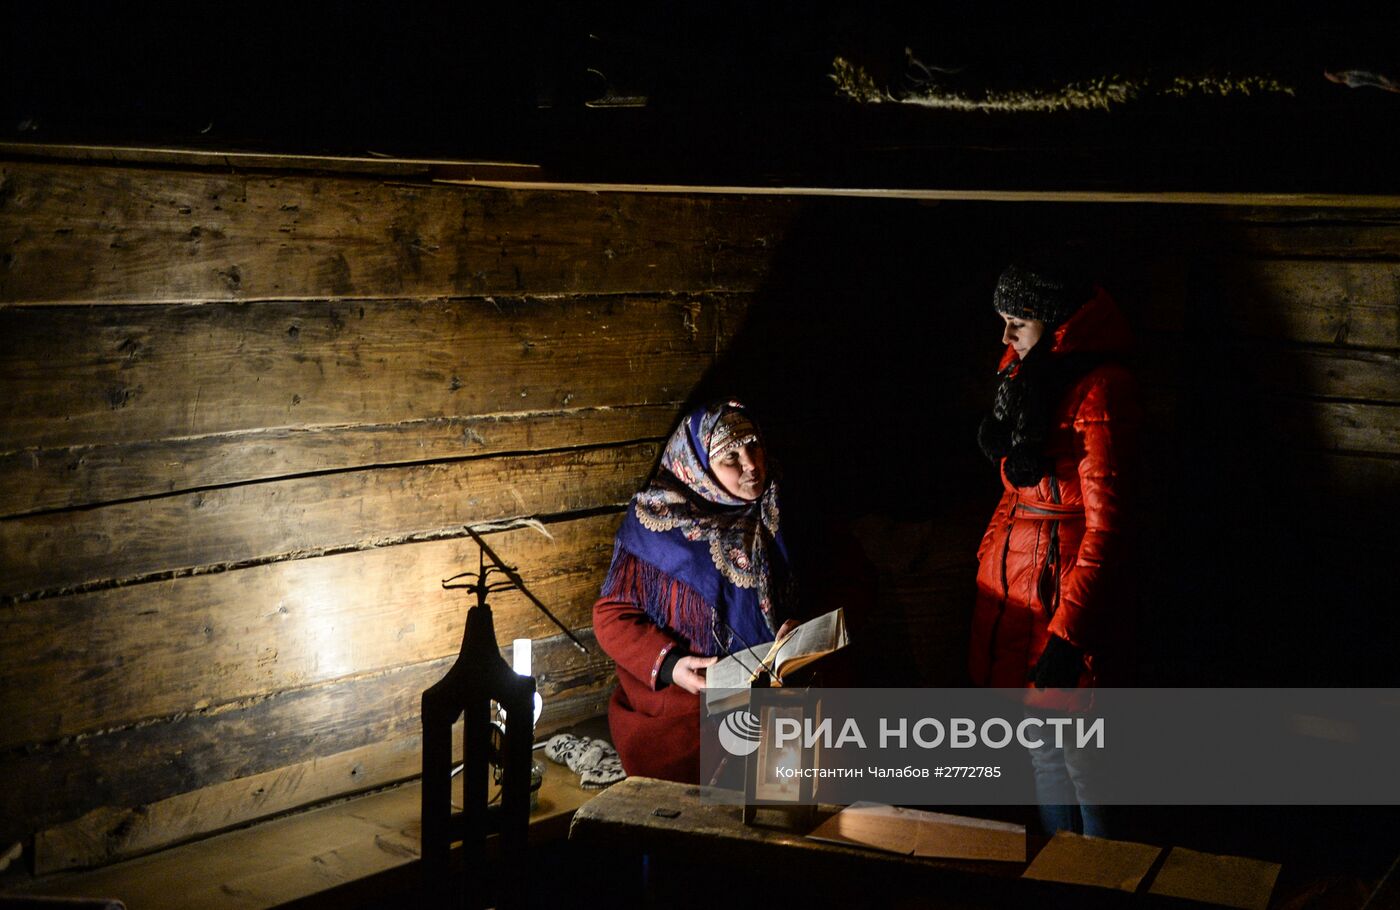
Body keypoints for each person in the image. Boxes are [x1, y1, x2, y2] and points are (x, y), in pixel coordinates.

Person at [970, 261, 1140, 837]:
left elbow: (1109, 528)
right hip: (1021, 585)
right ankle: (1054, 874)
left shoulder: (1100, 389)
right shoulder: (1024, 377)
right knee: (1041, 748)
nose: (1006, 336)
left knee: (1084, 757)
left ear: (1058, 321)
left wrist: (1070, 633)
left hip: (1066, 591)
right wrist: (988, 566)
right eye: (1002, 321)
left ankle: (1101, 879)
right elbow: (1016, 494)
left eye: (1018, 321)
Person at [593, 400, 797, 783]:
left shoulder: (782, 507)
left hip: (779, 686)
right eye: (729, 457)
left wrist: (804, 627)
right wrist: (672, 666)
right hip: (695, 695)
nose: (751, 465)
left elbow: (849, 578)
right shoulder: (657, 520)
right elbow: (611, 617)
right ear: (699, 464)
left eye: (753, 446)